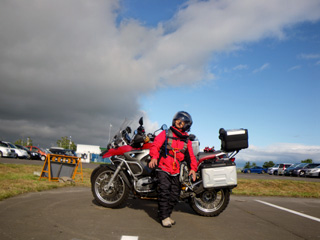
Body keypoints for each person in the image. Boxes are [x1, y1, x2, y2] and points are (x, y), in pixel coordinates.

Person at [149, 111, 198, 228]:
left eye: (181, 122)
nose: (178, 123)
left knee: (175, 195)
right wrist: (154, 157)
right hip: (163, 167)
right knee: (164, 192)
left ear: (187, 125)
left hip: (176, 170)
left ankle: (165, 214)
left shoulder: (187, 140)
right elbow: (155, 145)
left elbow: (191, 156)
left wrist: (193, 169)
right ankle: (164, 217)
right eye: (177, 121)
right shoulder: (165, 133)